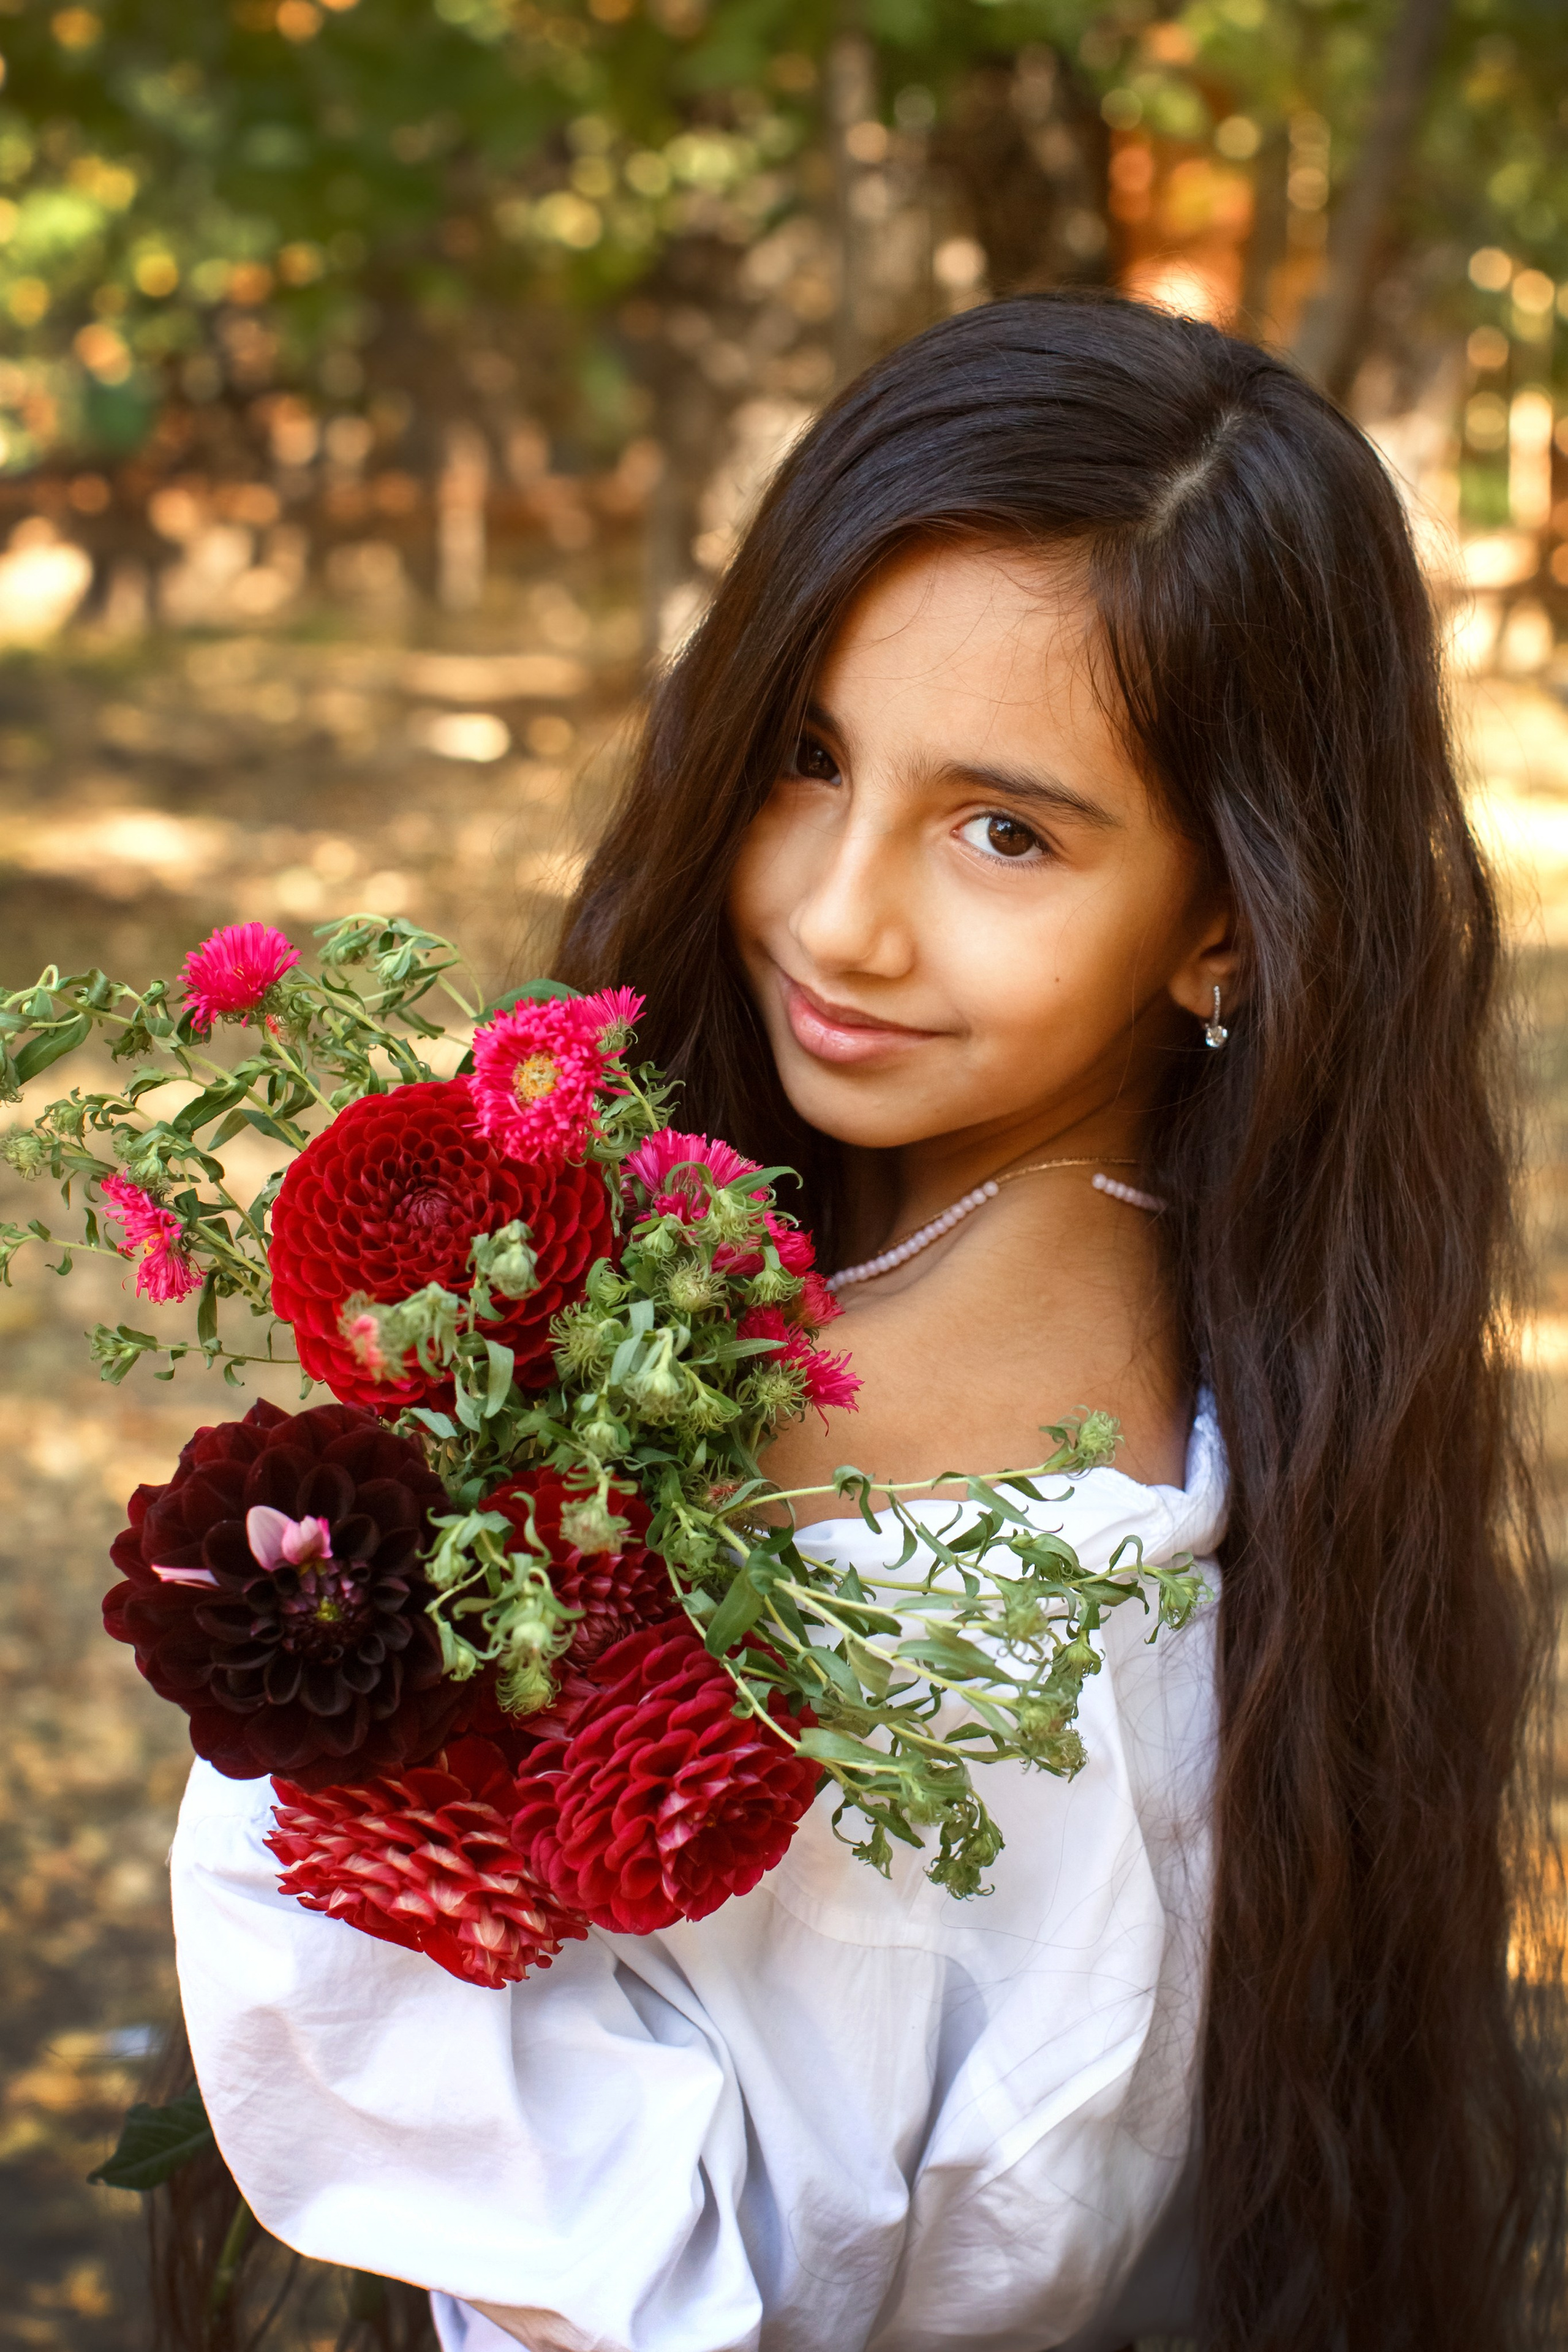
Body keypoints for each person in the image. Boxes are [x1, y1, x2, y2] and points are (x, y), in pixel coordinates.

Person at [165, 293, 1566, 2351]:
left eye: (1007, 830)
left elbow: (686, 2275)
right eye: (809, 758)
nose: (838, 916)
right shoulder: (1257, 1348)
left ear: (1226, 925)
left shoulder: (932, 1569)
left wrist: (352, 1641)